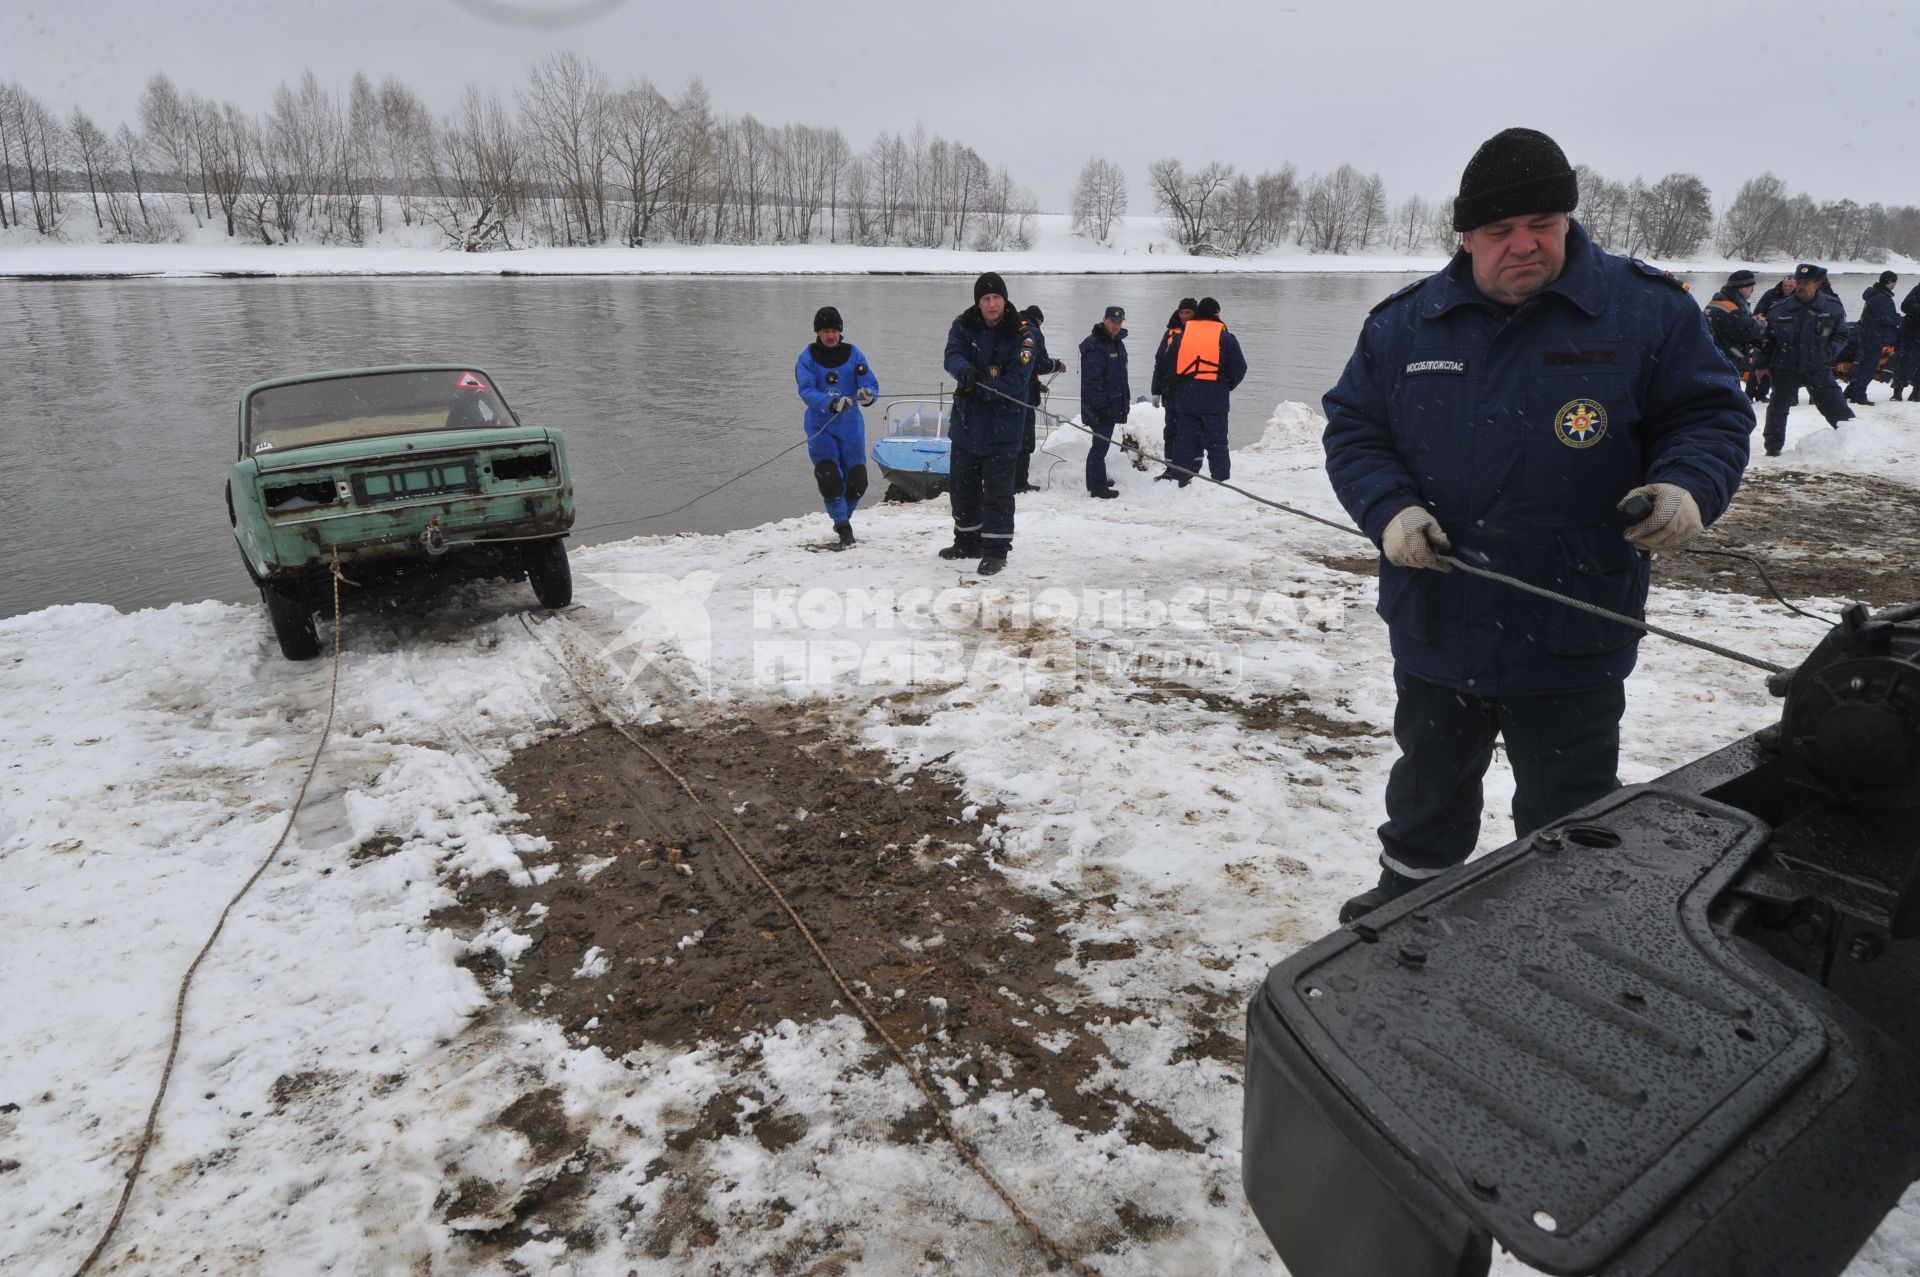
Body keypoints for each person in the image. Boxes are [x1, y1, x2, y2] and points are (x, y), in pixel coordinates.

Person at [1322, 127, 1752, 924]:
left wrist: (1688, 487)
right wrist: (1390, 510)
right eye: (1499, 231)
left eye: (1543, 224)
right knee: (1426, 786)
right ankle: (1408, 902)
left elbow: (1710, 417)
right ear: (1466, 235)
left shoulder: (1646, 312)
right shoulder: (1404, 325)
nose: (1524, 246)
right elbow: (1354, 430)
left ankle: (1562, 934)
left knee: (1570, 806)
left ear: (1568, 220)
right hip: (1437, 619)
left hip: (1573, 621)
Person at [941, 272, 1035, 576]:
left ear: (1004, 300)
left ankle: (995, 550)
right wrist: (965, 371)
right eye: (986, 299)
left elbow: (1017, 380)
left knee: (997, 493)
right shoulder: (963, 323)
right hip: (967, 424)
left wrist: (979, 388)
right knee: (962, 487)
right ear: (978, 302)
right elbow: (952, 355)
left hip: (1003, 427)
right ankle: (967, 541)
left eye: (996, 298)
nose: (992, 304)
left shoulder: (1024, 334)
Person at [794, 306, 879, 548]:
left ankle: (843, 517)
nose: (829, 335)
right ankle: (843, 526)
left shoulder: (854, 354)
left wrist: (867, 394)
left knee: (857, 481)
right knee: (830, 478)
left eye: (833, 330)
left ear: (840, 331)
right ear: (817, 333)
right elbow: (807, 391)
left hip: (851, 425)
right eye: (824, 331)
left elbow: (869, 382)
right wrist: (830, 402)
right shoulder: (806, 358)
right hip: (820, 426)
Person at [1760, 263, 1853, 455]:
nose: (1801, 286)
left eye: (1806, 282)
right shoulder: (1780, 309)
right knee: (1778, 409)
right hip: (1785, 366)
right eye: (1798, 281)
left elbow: (1841, 335)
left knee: (1836, 406)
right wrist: (1761, 364)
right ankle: (1773, 449)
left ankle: (1853, 441)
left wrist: (1827, 353)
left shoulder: (1831, 307)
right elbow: (1767, 340)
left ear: (1817, 283)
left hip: (1817, 366)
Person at [1165, 296, 1247, 483]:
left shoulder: (1182, 336)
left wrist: (1182, 385)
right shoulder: (1225, 337)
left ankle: (1181, 480)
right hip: (1215, 401)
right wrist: (1224, 386)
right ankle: (1221, 482)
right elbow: (1240, 368)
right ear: (1216, 314)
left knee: (1184, 441)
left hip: (1186, 399)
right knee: (1217, 443)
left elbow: (1168, 364)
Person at [1079, 305, 1131, 499]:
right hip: (1100, 406)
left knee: (1100, 445)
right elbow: (1093, 381)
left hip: (1111, 404)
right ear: (1104, 319)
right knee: (1100, 446)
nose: (1116, 326)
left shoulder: (1115, 342)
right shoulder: (1095, 346)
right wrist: (1100, 407)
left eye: (1119, 322)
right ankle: (1098, 487)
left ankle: (1095, 479)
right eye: (1112, 321)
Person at [1015, 305, 1067, 493]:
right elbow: (1040, 363)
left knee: (1010, 438)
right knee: (1025, 440)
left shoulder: (1012, 327)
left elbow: (1021, 365)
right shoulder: (1033, 332)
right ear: (1037, 320)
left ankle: (1006, 479)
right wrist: (1057, 364)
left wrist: (1037, 385)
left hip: (1009, 393)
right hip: (1024, 398)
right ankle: (1019, 483)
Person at [1150, 298, 1196, 480]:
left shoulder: (1201, 333)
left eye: (1188, 313)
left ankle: (1191, 467)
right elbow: (1159, 362)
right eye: (1182, 313)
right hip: (1171, 392)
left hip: (1193, 393)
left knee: (1190, 432)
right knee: (1171, 431)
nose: (1184, 317)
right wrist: (1156, 390)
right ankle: (1170, 468)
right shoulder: (1170, 334)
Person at [1703, 269, 1765, 399]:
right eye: (1751, 288)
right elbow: (1746, 331)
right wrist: (1761, 324)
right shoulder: (1730, 308)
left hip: (1713, 357)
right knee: (1726, 398)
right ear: (1742, 288)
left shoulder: (1715, 302)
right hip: (1727, 360)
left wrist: (1750, 320)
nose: (1751, 293)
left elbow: (1733, 324)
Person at [1846, 271, 1900, 405]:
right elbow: (1885, 318)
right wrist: (1899, 319)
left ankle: (1850, 392)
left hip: (1869, 334)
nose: (1894, 285)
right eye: (1894, 282)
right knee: (1868, 367)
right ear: (1889, 282)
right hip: (1874, 336)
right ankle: (1858, 395)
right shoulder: (1880, 297)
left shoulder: (1876, 295)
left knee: (1863, 364)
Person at [1893, 279, 1920, 401]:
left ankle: (1916, 393)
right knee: (1906, 362)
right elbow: (1905, 306)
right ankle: (1897, 391)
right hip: (1913, 333)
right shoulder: (1917, 290)